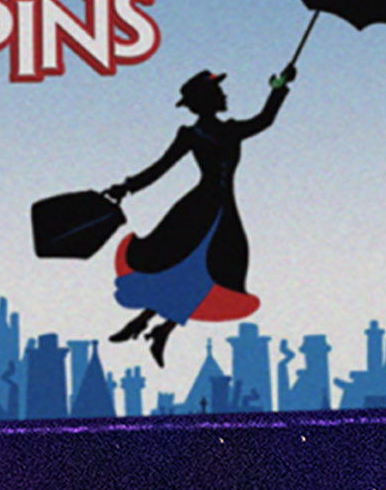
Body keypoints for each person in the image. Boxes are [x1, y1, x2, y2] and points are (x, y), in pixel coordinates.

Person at [101, 64, 296, 367]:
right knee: (184, 268)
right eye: (218, 91)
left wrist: (279, 88)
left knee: (207, 272)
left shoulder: (231, 130)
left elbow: (265, 119)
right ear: (206, 99)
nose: (224, 95)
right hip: (199, 209)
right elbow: (161, 167)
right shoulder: (192, 134)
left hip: (220, 209)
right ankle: (149, 325)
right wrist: (126, 187)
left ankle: (156, 327)